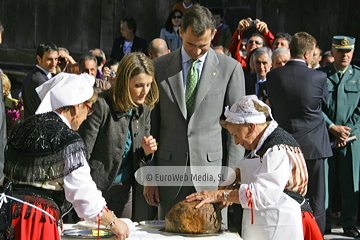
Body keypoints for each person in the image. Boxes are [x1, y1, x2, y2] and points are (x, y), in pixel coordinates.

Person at [145, 4, 245, 223]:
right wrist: (149, 175)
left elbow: (236, 130)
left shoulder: (230, 69)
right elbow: (149, 127)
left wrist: (231, 176)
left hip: (213, 178)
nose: (197, 51)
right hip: (168, 176)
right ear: (180, 32)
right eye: (191, 44)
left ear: (214, 34)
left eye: (204, 45)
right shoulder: (158, 68)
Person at [1, 73, 130, 239]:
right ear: (77, 107)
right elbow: (82, 192)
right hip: (37, 220)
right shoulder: (68, 140)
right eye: (88, 109)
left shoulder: (24, 127)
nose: (86, 117)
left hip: (8, 215)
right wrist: (113, 221)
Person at [186, 95, 308, 240]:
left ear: (252, 127)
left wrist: (218, 195)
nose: (236, 142)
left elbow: (262, 194)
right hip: (263, 225)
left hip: (280, 225)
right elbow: (252, 165)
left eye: (236, 134)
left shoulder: (278, 148)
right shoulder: (262, 144)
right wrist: (235, 176)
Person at [78, 52, 159, 222]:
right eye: (138, 85)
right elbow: (83, 152)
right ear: (124, 82)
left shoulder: (143, 109)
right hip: (96, 188)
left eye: (149, 85)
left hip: (125, 188)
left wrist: (146, 152)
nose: (145, 91)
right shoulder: (101, 104)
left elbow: (140, 155)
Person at [267, 32, 333, 236]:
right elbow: (327, 104)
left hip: (284, 147)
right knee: (317, 200)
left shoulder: (273, 75)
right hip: (314, 147)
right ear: (306, 55)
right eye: (313, 53)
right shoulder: (320, 76)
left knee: (284, 197)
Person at [318, 36, 360, 238]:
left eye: (349, 51)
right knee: (325, 181)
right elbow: (315, 105)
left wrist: (347, 131)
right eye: (341, 51)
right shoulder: (319, 76)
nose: (345, 55)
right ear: (332, 52)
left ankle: (349, 223)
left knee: (351, 181)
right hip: (326, 137)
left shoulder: (359, 76)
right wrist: (332, 127)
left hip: (352, 140)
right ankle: (324, 222)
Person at [21, 42, 59, 119]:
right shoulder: (39, 80)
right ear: (39, 58)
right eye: (49, 59)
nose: (54, 63)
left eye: (56, 59)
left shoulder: (35, 75)